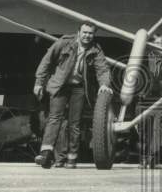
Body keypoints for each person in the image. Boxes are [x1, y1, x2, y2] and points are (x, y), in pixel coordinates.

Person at [33, 22, 112, 169]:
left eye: (90, 33)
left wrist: (104, 85)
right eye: (85, 32)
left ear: (93, 34)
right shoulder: (64, 42)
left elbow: (103, 69)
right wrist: (39, 82)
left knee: (74, 123)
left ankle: (71, 158)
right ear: (78, 32)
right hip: (60, 85)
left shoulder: (96, 49)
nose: (87, 36)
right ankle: (46, 153)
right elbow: (46, 62)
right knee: (55, 118)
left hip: (79, 88)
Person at [140, 34, 162, 169]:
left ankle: (153, 158)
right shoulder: (145, 57)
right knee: (144, 128)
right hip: (146, 97)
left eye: (160, 43)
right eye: (155, 43)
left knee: (157, 128)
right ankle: (144, 157)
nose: (158, 45)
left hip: (161, 97)